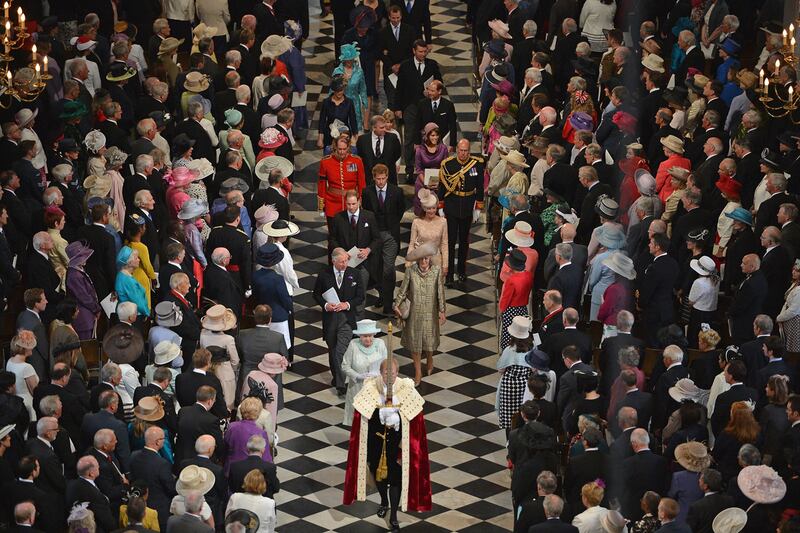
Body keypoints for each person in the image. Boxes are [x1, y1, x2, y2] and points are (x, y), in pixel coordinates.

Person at [343, 358, 432, 531]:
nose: (389, 377)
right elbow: (362, 417)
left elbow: (415, 422)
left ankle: (394, 516)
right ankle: (384, 501)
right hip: (376, 442)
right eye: (385, 373)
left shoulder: (405, 389)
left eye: (392, 373)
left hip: (397, 445)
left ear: (397, 373)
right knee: (379, 477)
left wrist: (397, 418)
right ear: (380, 373)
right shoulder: (371, 387)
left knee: (395, 479)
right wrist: (379, 412)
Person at [394, 243, 446, 385]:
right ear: (417, 260)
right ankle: (418, 372)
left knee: (429, 341)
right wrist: (396, 305)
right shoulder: (410, 271)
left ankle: (429, 358)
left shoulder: (436, 271)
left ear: (430, 259)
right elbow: (403, 290)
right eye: (421, 259)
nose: (424, 261)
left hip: (430, 312)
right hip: (414, 314)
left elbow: (440, 292)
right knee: (415, 343)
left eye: (426, 259)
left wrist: (442, 311)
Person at [438, 139, 484, 288]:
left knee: (464, 241)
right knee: (450, 241)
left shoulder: (476, 164)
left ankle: (462, 271)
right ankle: (449, 273)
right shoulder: (448, 164)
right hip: (451, 205)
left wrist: (478, 207)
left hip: (467, 206)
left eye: (466, 151)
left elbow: (480, 186)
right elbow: (442, 186)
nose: (463, 153)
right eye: (461, 150)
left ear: (469, 151)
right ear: (457, 150)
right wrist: (440, 205)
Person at [342, 319, 387, 426]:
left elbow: (387, 365)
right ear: (360, 336)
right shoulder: (353, 345)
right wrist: (357, 376)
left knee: (374, 420)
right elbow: (345, 366)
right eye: (365, 336)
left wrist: (380, 374)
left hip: (376, 388)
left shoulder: (380, 344)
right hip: (357, 388)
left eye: (370, 336)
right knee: (358, 421)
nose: (368, 339)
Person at [496, 316, 533, 434]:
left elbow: (500, 369)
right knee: (523, 414)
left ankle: (510, 441)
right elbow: (534, 369)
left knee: (510, 419)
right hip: (525, 386)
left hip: (509, 387)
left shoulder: (509, 349)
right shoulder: (532, 349)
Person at [224, 396, 271, 474]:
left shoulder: (232, 427)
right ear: (258, 413)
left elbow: (225, 448)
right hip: (251, 473)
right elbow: (266, 459)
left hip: (231, 470)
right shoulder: (261, 433)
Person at [778, 259, 800, 352]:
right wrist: (781, 316)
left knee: (794, 351)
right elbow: (786, 303)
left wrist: (779, 318)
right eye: (793, 269)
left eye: (797, 271)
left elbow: (793, 310)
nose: (793, 272)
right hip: (788, 321)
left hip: (795, 323)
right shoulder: (794, 284)